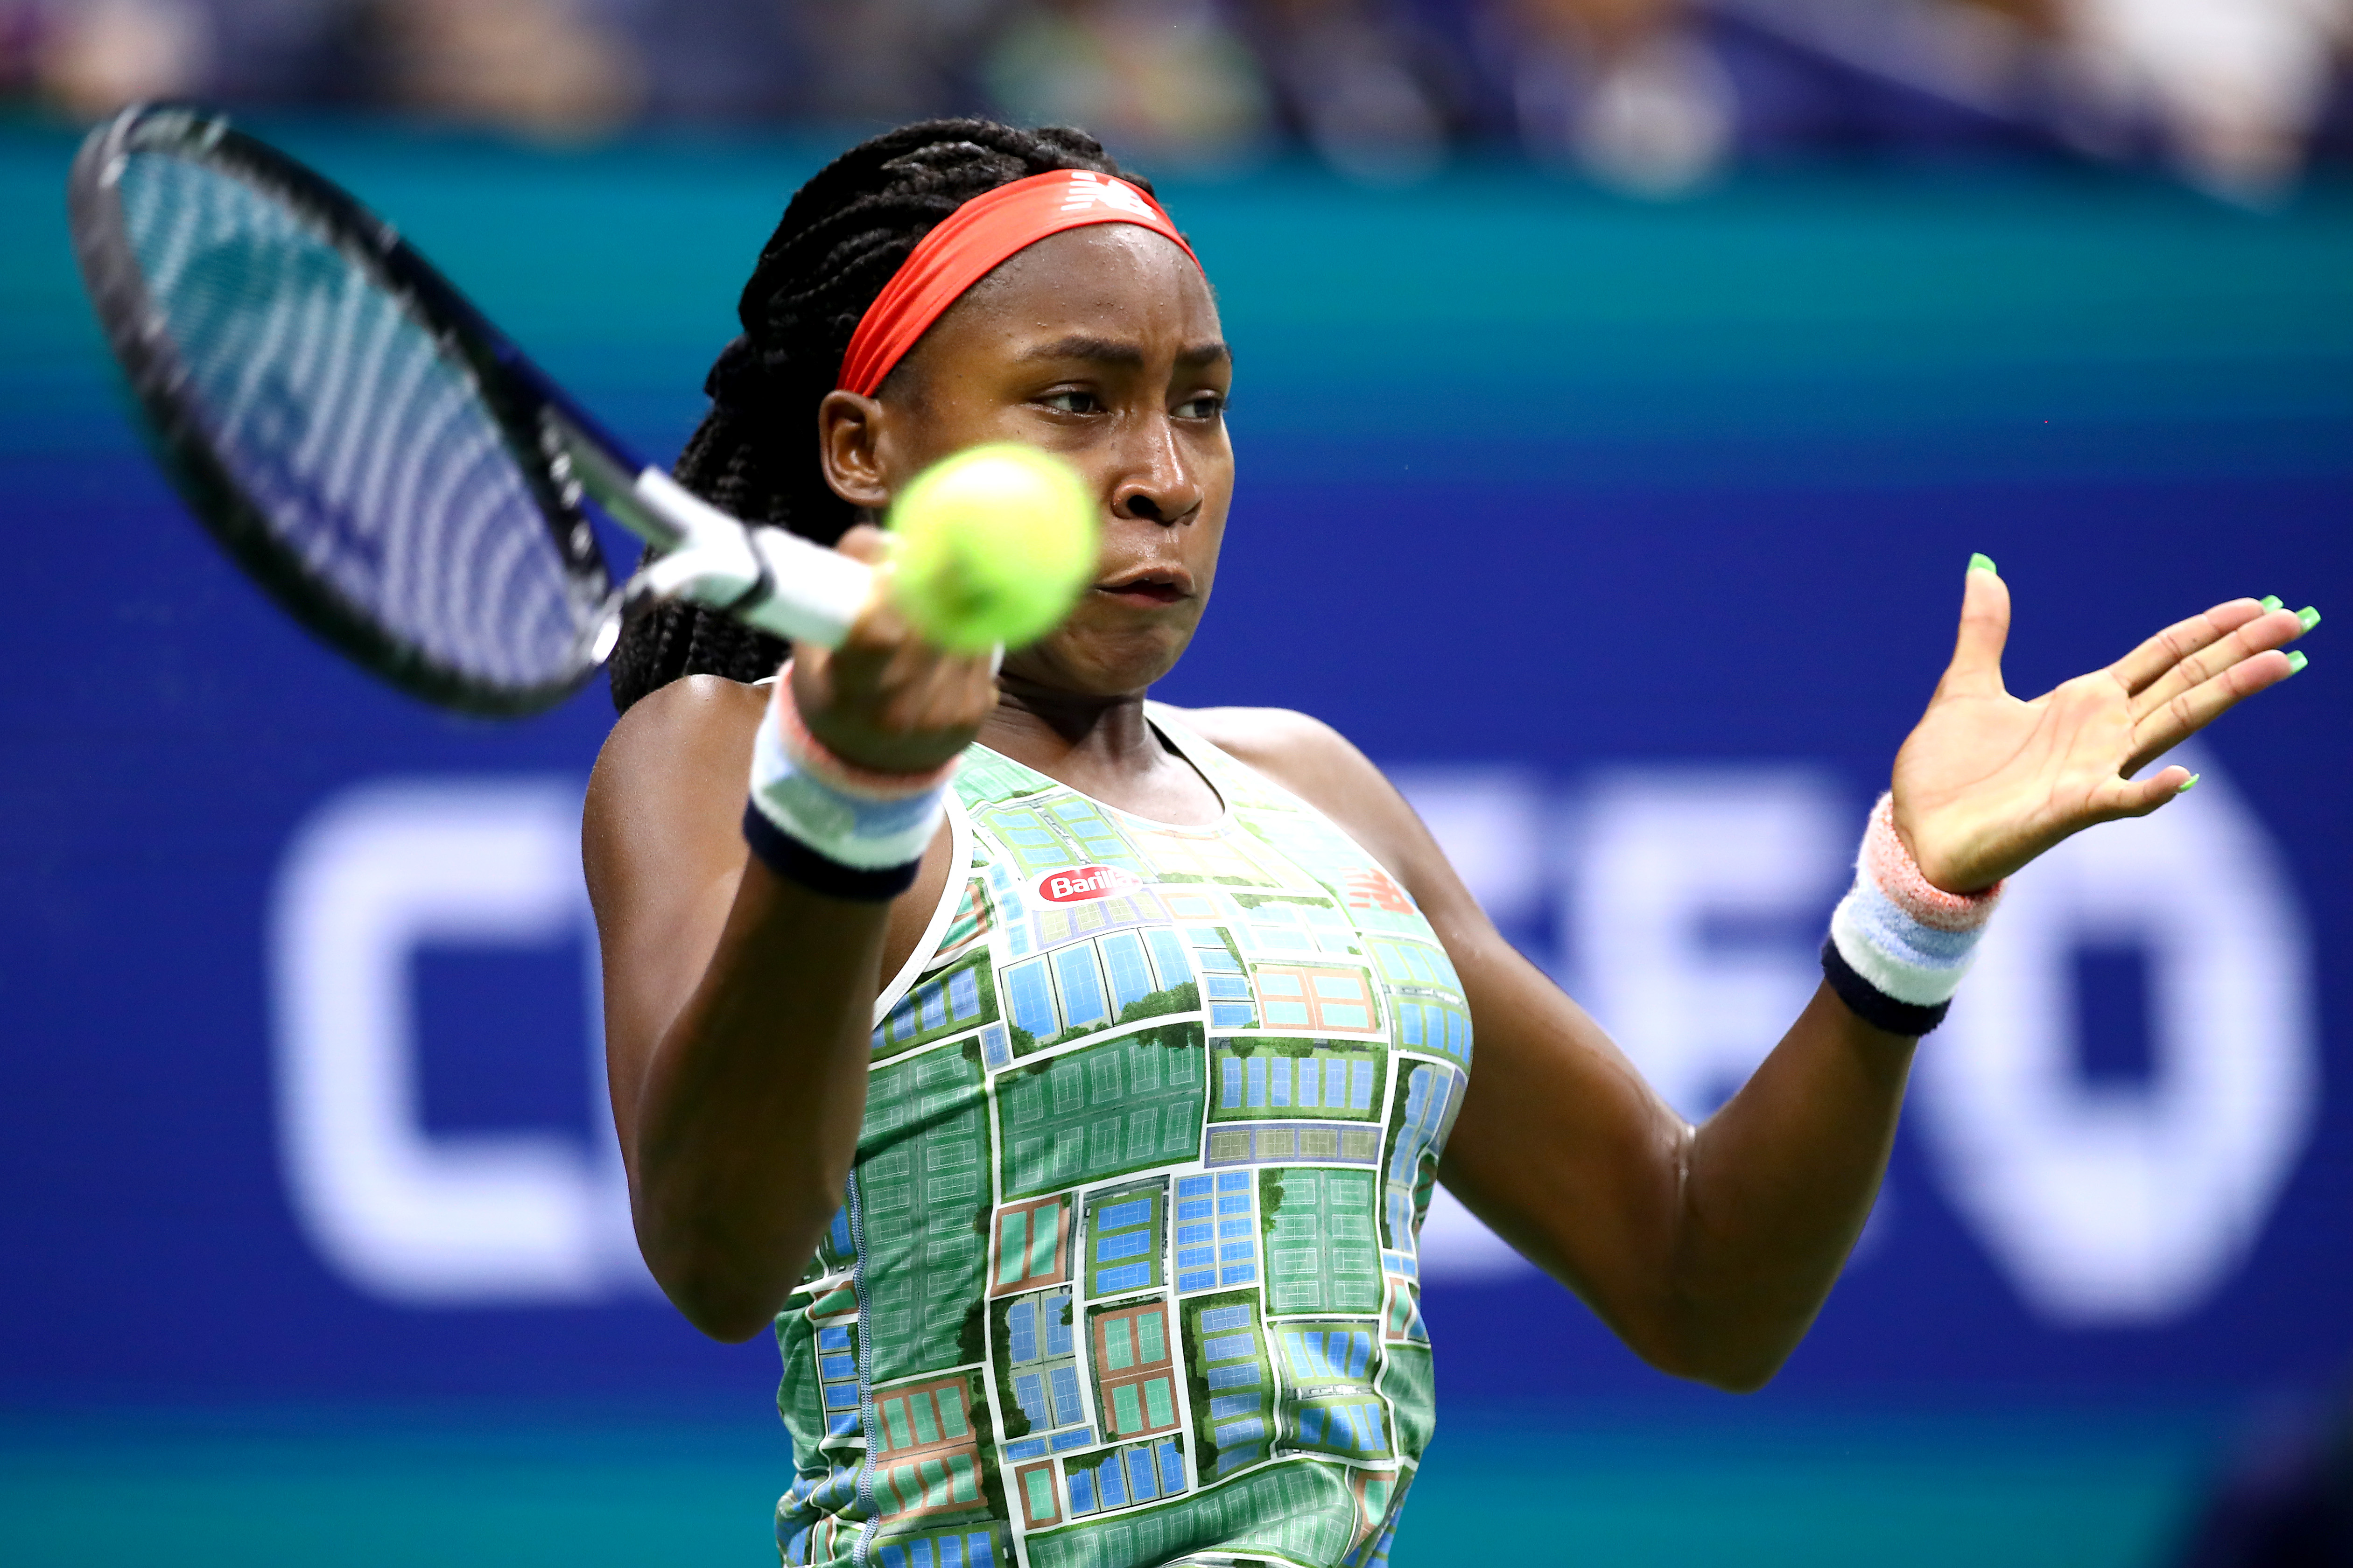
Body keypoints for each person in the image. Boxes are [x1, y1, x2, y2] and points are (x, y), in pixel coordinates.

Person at [582, 117, 2316, 1568]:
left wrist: (1911, 912)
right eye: (1074, 399)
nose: (1162, 473)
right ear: (864, 446)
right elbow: (719, 1256)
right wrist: (855, 797)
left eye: (1201, 403)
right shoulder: (728, 751)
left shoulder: (1311, 789)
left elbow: (1699, 1279)